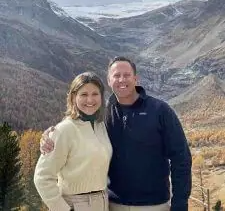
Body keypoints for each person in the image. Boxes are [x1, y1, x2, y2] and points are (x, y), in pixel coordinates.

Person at [40, 56, 192, 211]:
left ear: (135, 78)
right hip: (112, 205)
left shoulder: (160, 111)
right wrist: (50, 135)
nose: (121, 80)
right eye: (116, 76)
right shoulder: (102, 115)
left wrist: (180, 204)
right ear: (109, 80)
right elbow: (76, 127)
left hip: (154, 205)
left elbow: (181, 159)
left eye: (126, 75)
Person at [34, 72, 112, 211]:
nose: (90, 100)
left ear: (101, 96)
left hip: (102, 202)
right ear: (73, 97)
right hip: (76, 204)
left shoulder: (101, 126)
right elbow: (42, 177)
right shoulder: (64, 130)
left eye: (95, 94)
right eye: (83, 95)